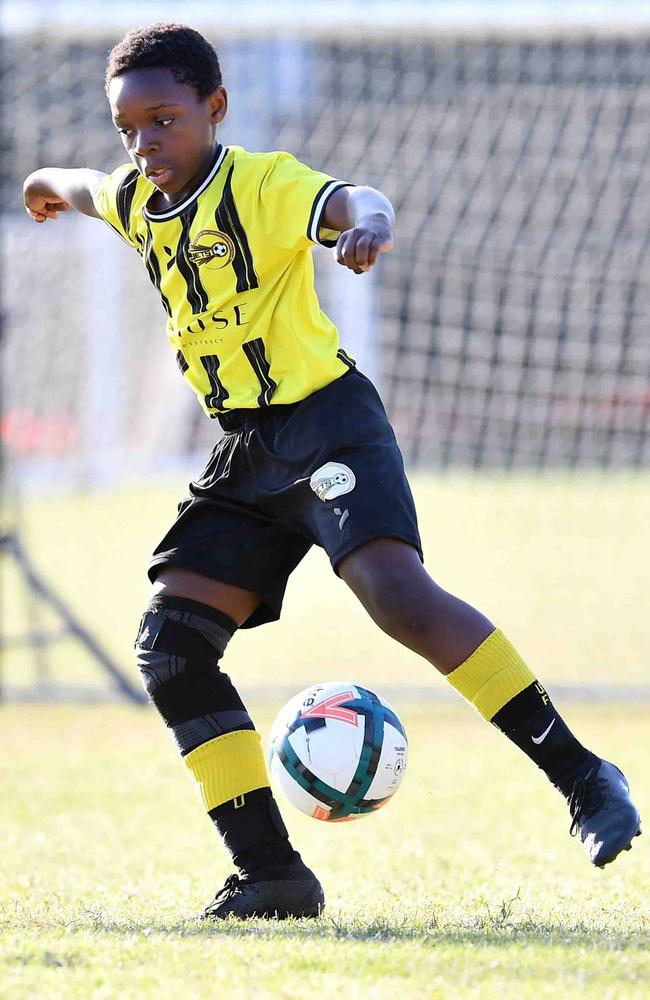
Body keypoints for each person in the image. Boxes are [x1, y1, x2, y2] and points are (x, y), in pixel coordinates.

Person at [23, 22, 641, 921]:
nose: (146, 143)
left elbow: (356, 198)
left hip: (327, 425)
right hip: (244, 454)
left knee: (396, 594)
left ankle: (586, 778)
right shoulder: (134, 196)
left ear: (214, 108)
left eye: (164, 120)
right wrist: (44, 186)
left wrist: (373, 227)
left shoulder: (262, 185)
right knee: (173, 648)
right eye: (130, 129)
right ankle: (272, 874)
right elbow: (81, 187)